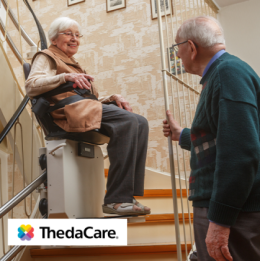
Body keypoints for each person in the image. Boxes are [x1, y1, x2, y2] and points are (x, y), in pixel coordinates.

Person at [25, 17, 150, 216]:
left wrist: (112, 98)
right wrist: (65, 77)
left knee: (140, 122)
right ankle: (117, 200)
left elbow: (89, 98)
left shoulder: (73, 63)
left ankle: (127, 196)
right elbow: (31, 85)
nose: (74, 39)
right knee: (127, 121)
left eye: (77, 35)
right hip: (67, 112)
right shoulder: (47, 56)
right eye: (68, 33)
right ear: (54, 39)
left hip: (83, 107)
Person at [163, 16, 260, 261]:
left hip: (234, 212)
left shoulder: (227, 74)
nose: (177, 54)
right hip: (228, 208)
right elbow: (222, 139)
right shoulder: (224, 73)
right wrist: (182, 135)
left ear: (192, 47)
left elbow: (241, 152)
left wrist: (220, 220)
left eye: (177, 47)